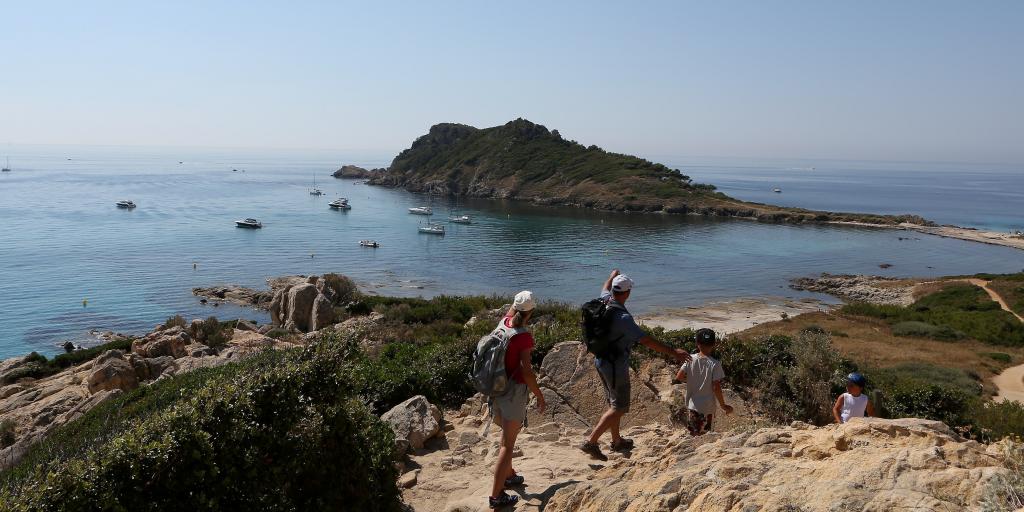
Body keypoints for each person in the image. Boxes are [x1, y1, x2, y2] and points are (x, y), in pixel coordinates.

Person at [579, 270, 690, 461]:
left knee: (614, 403)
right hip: (615, 366)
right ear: (628, 293)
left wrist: (612, 275)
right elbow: (645, 340)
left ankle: (617, 440)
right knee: (619, 407)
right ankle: (591, 442)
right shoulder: (623, 318)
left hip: (601, 360)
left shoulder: (605, 299)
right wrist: (674, 352)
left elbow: (605, 286)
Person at [489, 291, 546, 510]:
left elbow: (514, 311)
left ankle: (510, 475)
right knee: (507, 444)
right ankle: (496, 496)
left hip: (496, 387)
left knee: (505, 436)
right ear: (531, 312)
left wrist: (518, 304)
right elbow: (527, 372)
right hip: (513, 392)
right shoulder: (523, 337)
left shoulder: (502, 324)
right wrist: (539, 396)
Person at [675, 328, 733, 435]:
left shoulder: (690, 359)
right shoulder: (715, 364)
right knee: (706, 435)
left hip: (692, 405)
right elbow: (716, 387)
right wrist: (723, 405)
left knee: (693, 434)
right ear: (714, 344)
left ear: (697, 343)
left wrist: (692, 380)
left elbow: (679, 377)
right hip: (708, 407)